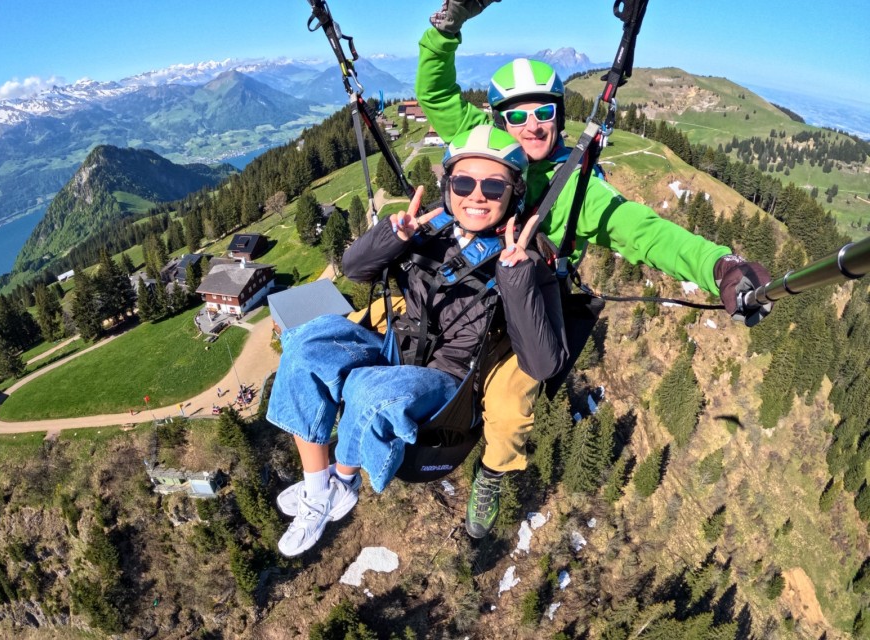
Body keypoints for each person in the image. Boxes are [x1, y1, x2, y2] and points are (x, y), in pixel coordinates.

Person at [417, 0, 774, 538]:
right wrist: (446, 28)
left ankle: (491, 474)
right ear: (496, 121)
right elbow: (437, 93)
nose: (531, 125)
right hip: (463, 284)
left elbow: (645, 232)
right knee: (385, 330)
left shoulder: (575, 190)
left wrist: (718, 266)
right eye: (516, 115)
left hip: (526, 308)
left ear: (559, 116)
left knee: (511, 409)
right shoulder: (481, 142)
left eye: (543, 112)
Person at [266, 125, 568, 557]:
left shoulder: (530, 255)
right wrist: (393, 237)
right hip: (396, 343)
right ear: (449, 187)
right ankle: (319, 487)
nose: (476, 195)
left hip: (446, 378)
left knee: (368, 392)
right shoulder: (430, 228)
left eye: (493, 185)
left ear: (513, 194)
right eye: (463, 183)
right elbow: (354, 270)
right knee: (303, 345)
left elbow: (542, 363)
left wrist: (517, 274)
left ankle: (345, 481)